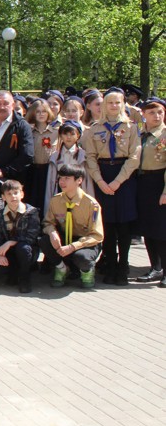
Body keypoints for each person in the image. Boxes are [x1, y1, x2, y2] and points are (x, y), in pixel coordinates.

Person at [84, 87, 141, 285]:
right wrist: (99, 180)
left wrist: (118, 181)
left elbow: (134, 157)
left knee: (124, 226)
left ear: (123, 105)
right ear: (104, 106)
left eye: (118, 102)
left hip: (124, 177)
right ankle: (109, 265)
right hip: (103, 175)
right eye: (110, 102)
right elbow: (90, 157)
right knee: (107, 224)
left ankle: (123, 266)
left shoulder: (132, 128)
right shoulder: (94, 129)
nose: (114, 106)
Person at [42, 163, 104, 289]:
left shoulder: (91, 204)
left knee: (81, 257)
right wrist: (52, 232)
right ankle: (62, 269)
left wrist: (73, 246)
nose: (62, 182)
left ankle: (87, 272)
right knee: (44, 241)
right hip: (65, 237)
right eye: (60, 178)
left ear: (79, 180)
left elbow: (97, 235)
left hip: (85, 242)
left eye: (67, 178)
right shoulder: (56, 200)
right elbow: (48, 222)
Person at [0, 180, 40, 293]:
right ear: (3, 197)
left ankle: (25, 278)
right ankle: (13, 273)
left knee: (23, 248)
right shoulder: (0, 215)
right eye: (9, 194)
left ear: (22, 194)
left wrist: (10, 242)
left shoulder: (31, 212)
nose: (13, 196)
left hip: (27, 251)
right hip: (8, 251)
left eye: (16, 193)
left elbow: (31, 237)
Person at [134, 97, 166, 286]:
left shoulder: (164, 135)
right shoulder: (140, 133)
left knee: (162, 230)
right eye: (152, 112)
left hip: (159, 182)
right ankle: (155, 267)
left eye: (160, 112)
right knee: (147, 229)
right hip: (143, 182)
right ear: (144, 115)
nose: (157, 115)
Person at [0, 90, 33, 184]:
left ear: (12, 105)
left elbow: (27, 156)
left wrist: (4, 171)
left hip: (12, 183)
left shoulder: (22, 126)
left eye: (6, 103)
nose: (2, 107)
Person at [44, 120, 93, 214]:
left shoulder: (83, 156)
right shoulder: (55, 156)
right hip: (60, 192)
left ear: (78, 135)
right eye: (65, 134)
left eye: (72, 134)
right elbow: (50, 183)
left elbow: (88, 182)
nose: (68, 137)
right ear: (61, 136)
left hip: (79, 192)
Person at [25, 99, 58, 210]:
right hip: (32, 170)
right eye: (38, 111)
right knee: (33, 200)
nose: (41, 114)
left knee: (48, 200)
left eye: (44, 111)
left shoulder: (56, 132)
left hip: (49, 170)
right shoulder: (28, 131)